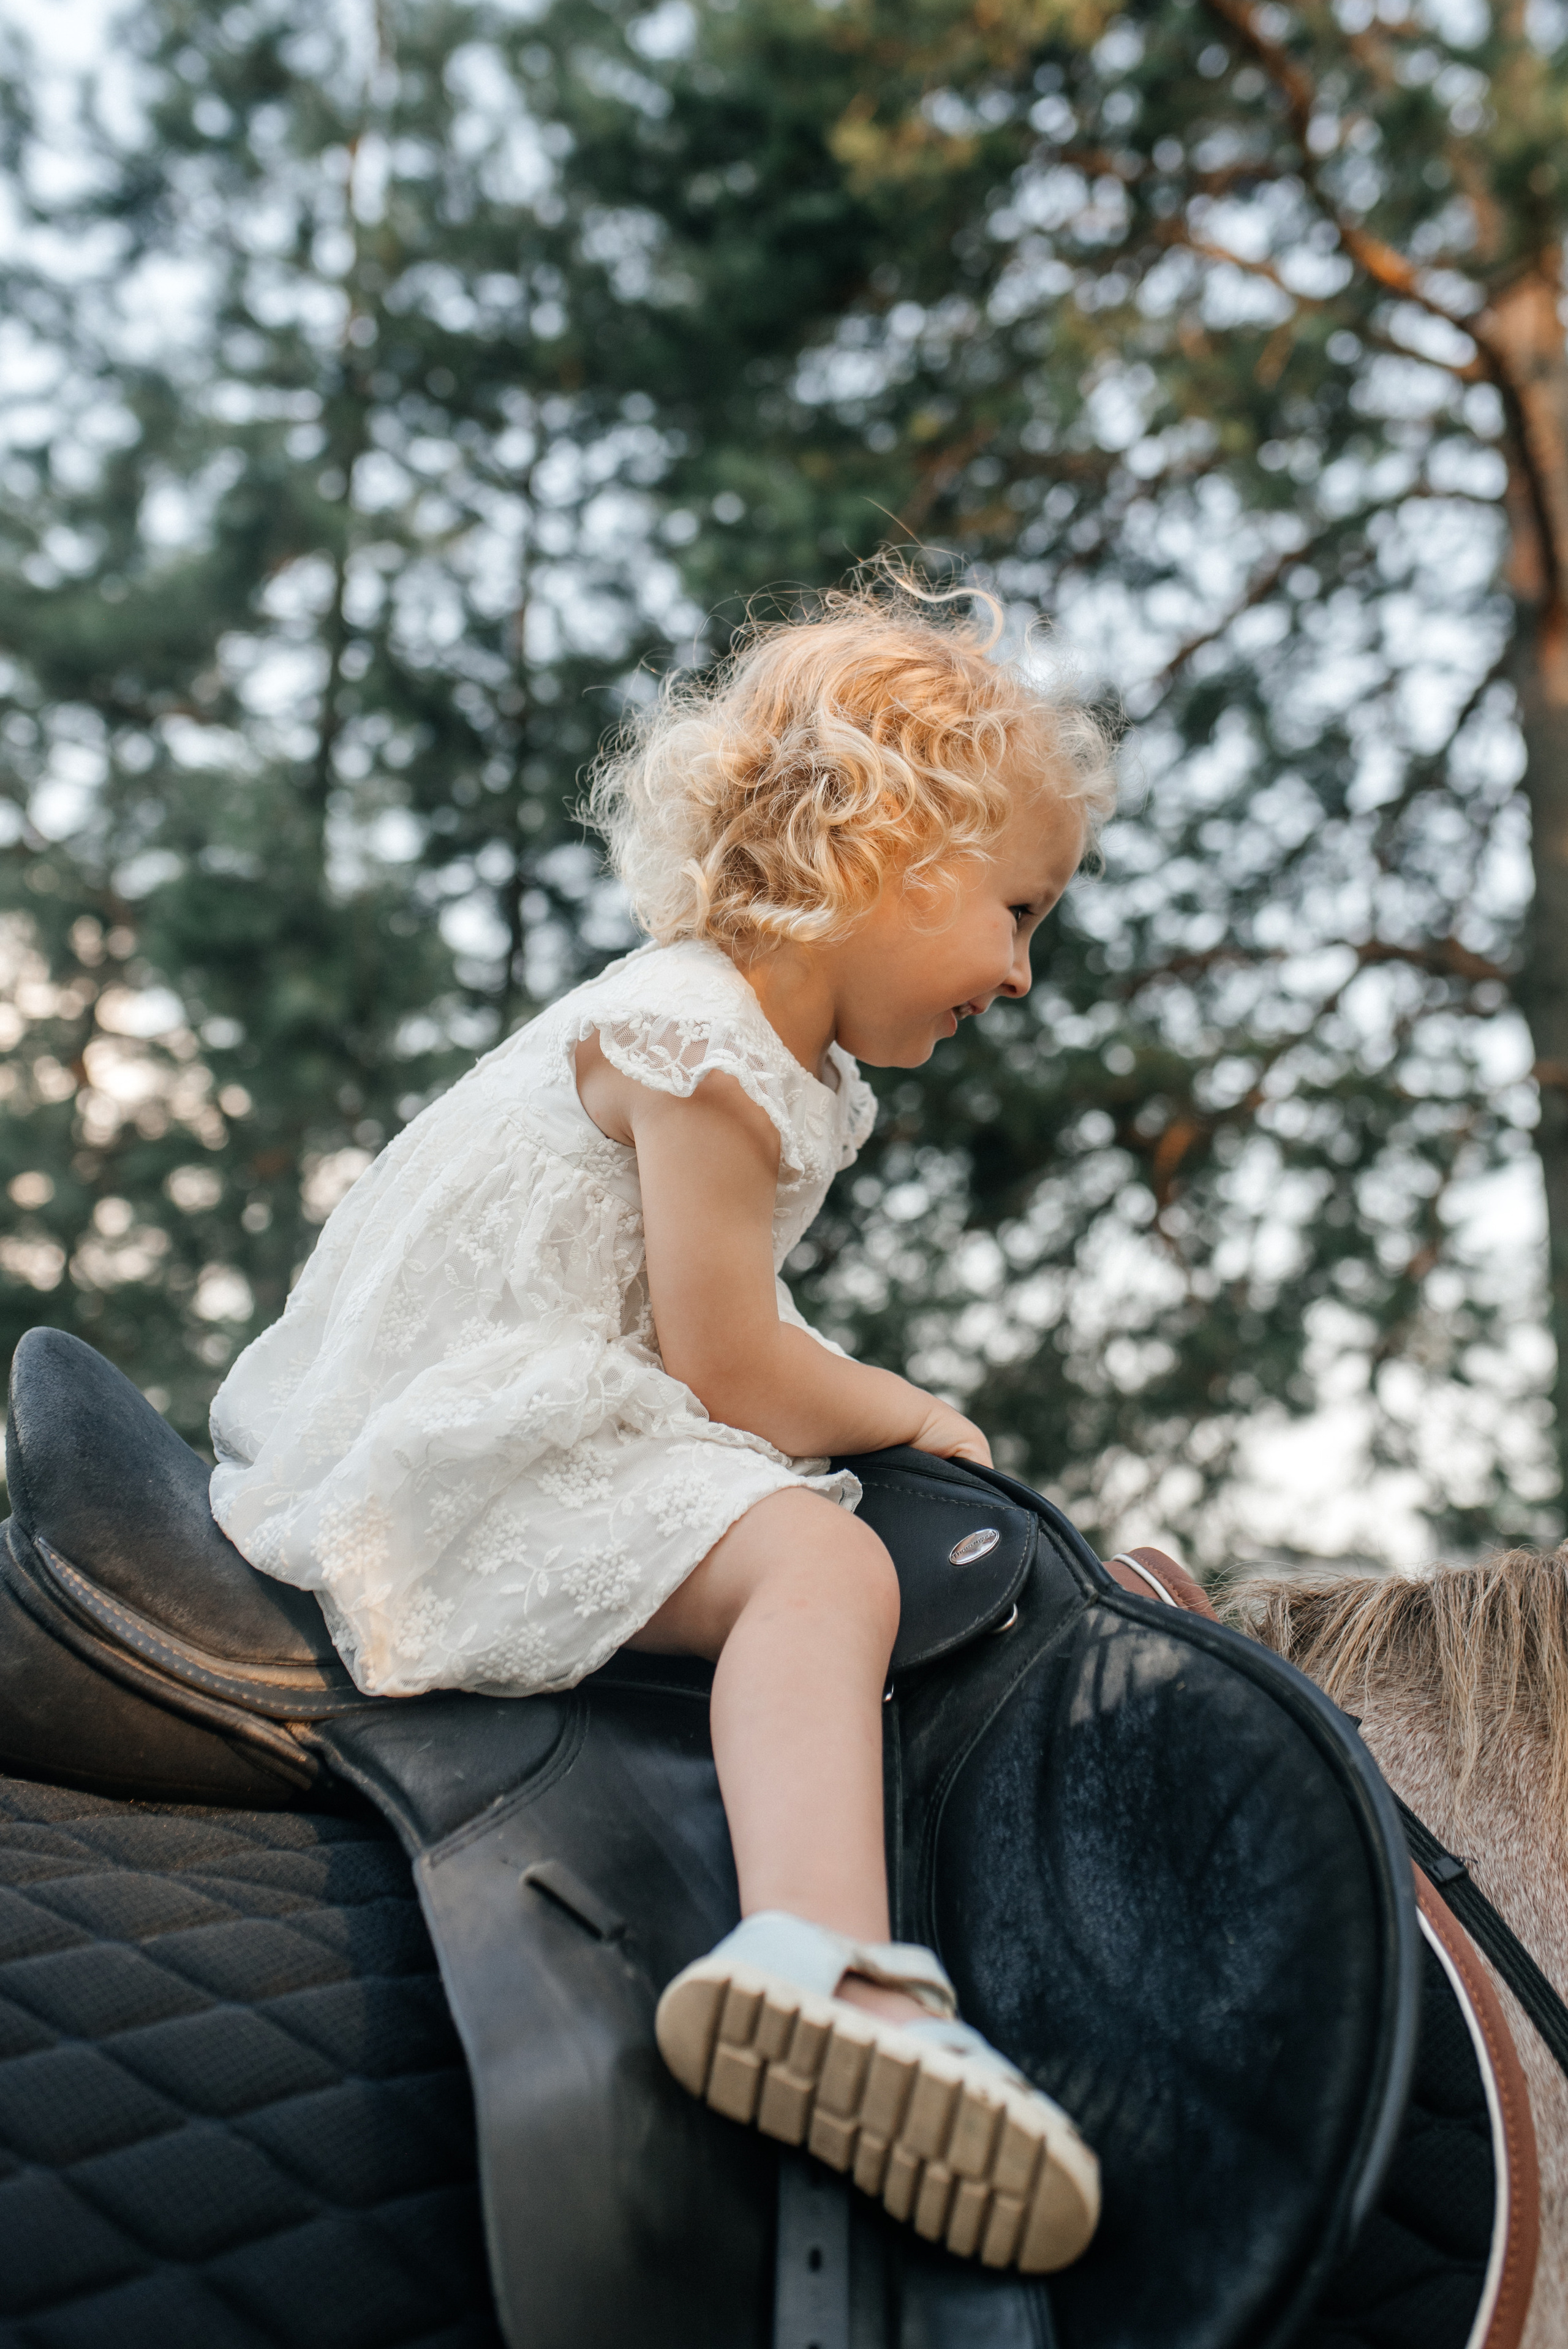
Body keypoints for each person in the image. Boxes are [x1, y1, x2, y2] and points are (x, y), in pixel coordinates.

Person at [209, 572, 1117, 2274]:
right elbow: (727, 1363)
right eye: (1017, 908)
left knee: (817, 1531)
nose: (1017, 970)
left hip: (544, 1390)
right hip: (467, 1436)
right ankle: (822, 1965)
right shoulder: (694, 1037)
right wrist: (921, 1411)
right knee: (822, 1577)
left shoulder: (743, 1036)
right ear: (888, 847)